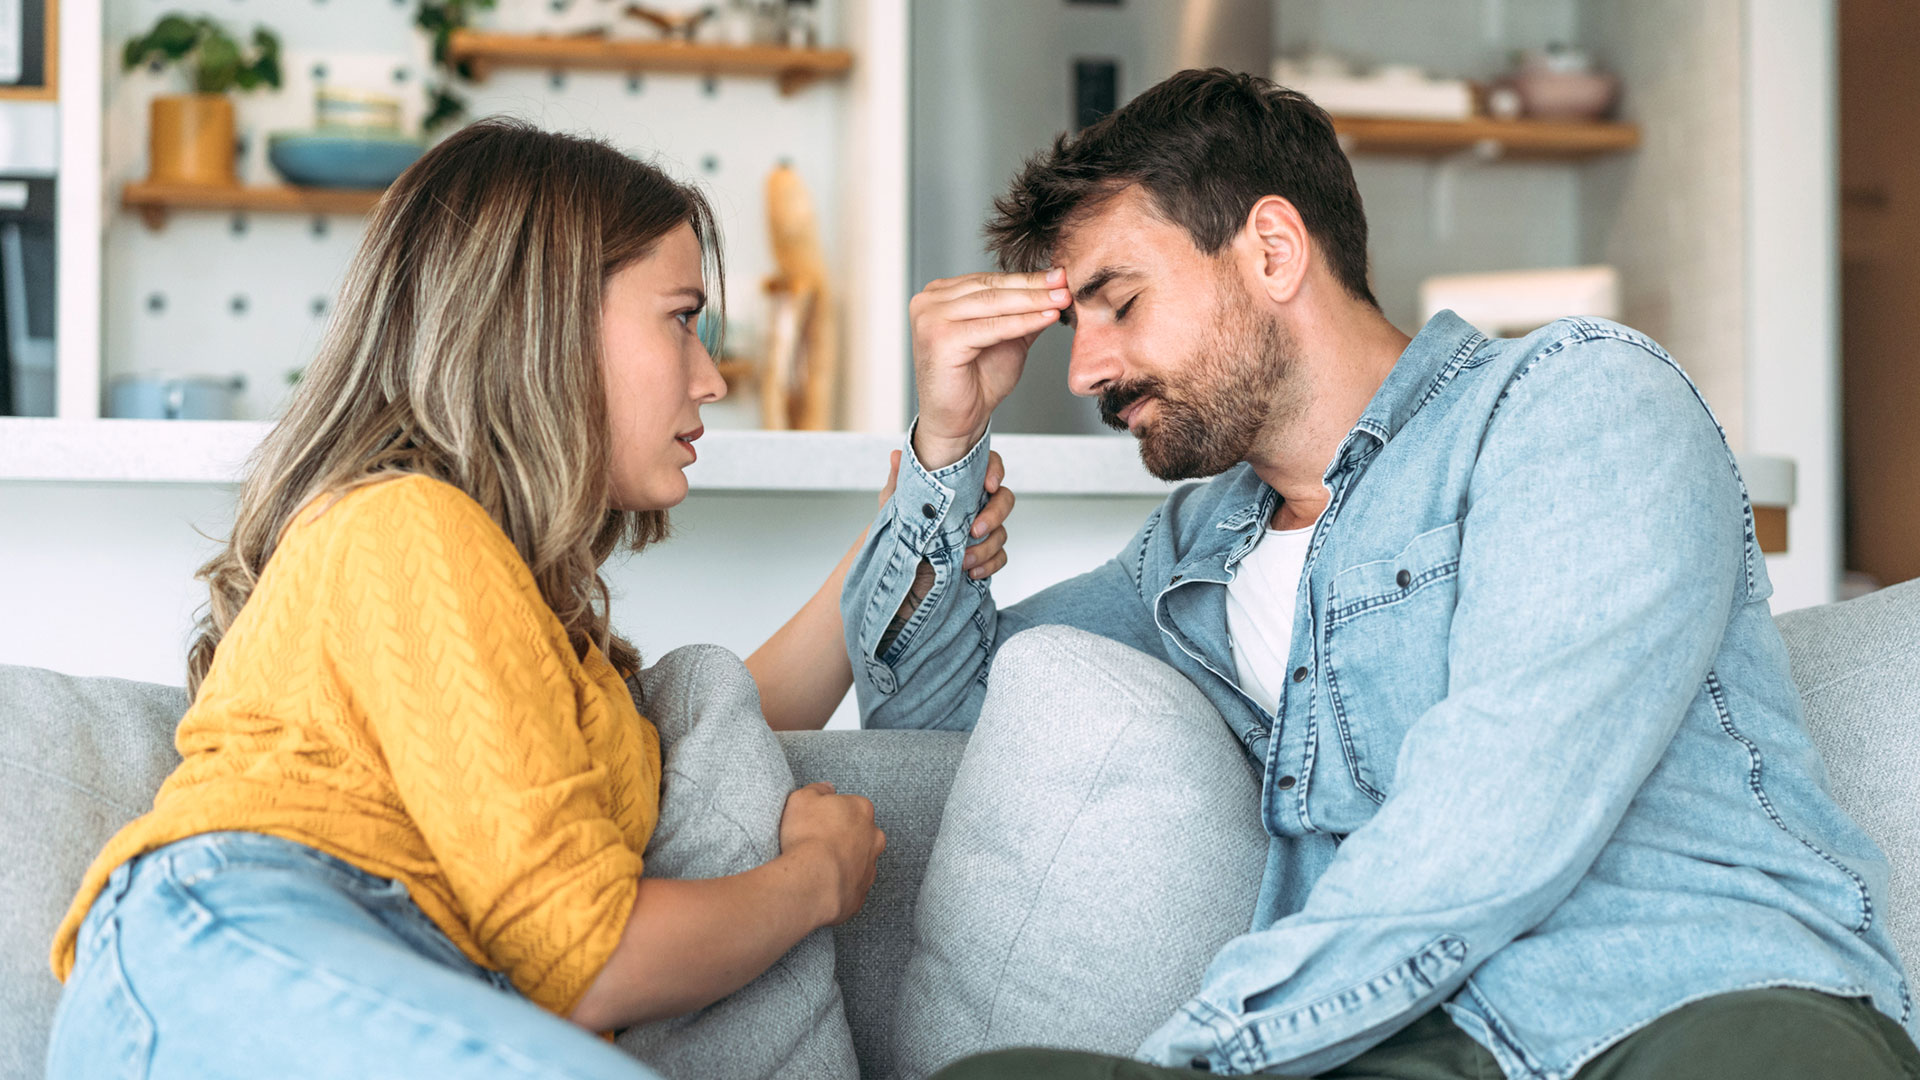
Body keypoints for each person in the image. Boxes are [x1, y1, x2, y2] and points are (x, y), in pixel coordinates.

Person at [842, 69, 1920, 1079]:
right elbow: (933, 712)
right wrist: (947, 440)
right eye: (1074, 326)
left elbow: (1495, 812)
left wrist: (1203, 1056)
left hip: (1693, 1002)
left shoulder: (1573, 400)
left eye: (1118, 302)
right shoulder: (1190, 561)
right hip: (1411, 1040)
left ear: (1272, 250)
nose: (1085, 372)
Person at [43, 118, 1015, 1079]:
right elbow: (588, 962)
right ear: (542, 319)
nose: (712, 379)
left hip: (340, 965)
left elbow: (719, 719)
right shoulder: (405, 524)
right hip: (240, 947)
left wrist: (924, 509)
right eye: (682, 318)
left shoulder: (532, 629)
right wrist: (815, 881)